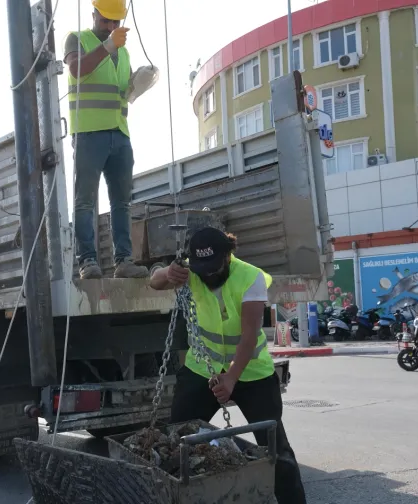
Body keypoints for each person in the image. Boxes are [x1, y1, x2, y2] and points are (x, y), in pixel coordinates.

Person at [149, 227, 307, 504]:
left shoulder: (251, 277)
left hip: (252, 373)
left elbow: (249, 335)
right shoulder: (191, 272)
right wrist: (165, 274)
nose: (208, 275)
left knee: (275, 448)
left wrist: (232, 377)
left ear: (228, 256)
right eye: (202, 268)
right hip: (202, 370)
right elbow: (155, 281)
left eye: (213, 267)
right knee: (176, 440)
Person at [63, 0, 149, 279]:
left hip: (120, 133)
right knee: (85, 200)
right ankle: (88, 261)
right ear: (94, 15)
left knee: (122, 201)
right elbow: (77, 70)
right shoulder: (78, 39)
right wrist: (109, 46)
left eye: (115, 22)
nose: (111, 27)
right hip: (89, 132)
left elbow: (121, 92)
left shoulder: (122, 53)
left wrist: (139, 84)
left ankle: (123, 261)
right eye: (106, 21)